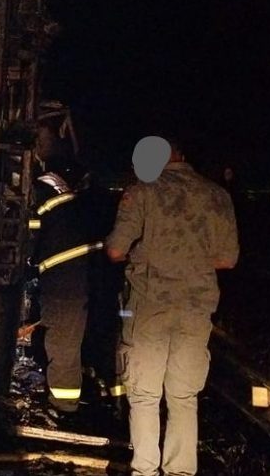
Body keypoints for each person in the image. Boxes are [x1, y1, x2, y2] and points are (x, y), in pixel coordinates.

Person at [106, 135, 239, 476]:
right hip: (196, 309)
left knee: (145, 395)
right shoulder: (217, 195)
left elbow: (115, 251)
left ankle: (146, 470)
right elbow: (227, 258)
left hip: (150, 307)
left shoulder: (142, 192)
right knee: (183, 397)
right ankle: (181, 471)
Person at [29, 155, 105, 416]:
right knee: (77, 340)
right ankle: (105, 398)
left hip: (65, 285)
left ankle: (64, 407)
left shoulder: (40, 195)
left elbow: (29, 240)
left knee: (62, 344)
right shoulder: (73, 201)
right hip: (87, 280)